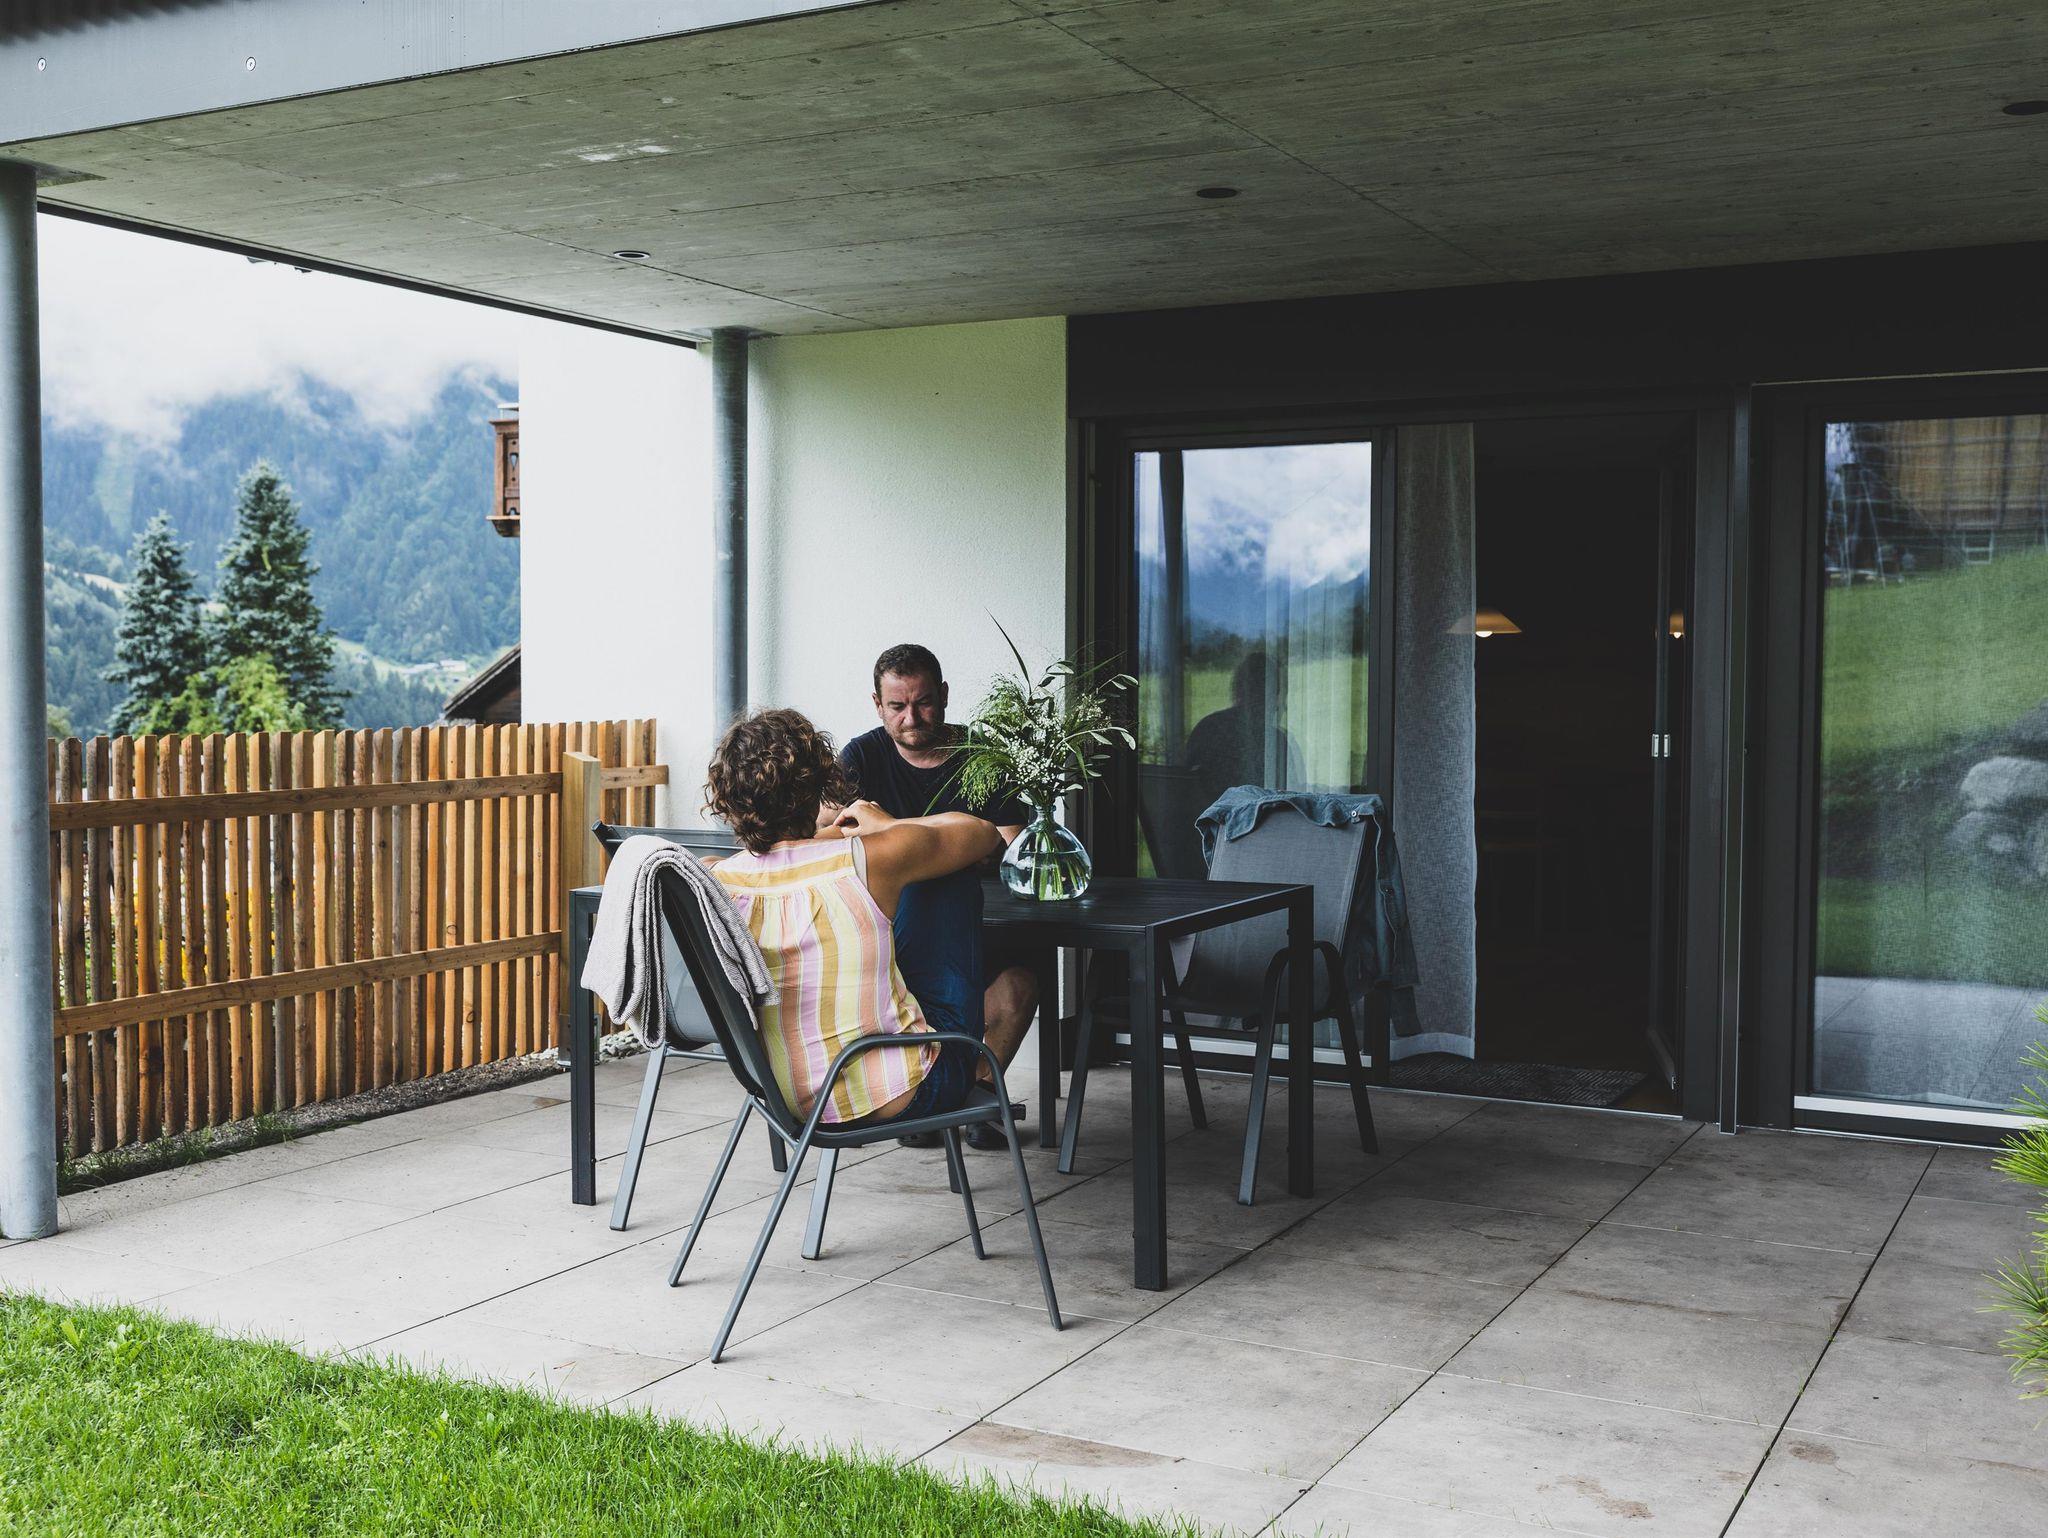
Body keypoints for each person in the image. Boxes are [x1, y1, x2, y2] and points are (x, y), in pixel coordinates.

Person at [703, 707, 1016, 1129]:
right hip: (899, 1094)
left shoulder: (716, 879)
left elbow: (781, 856)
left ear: (728, 797)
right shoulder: (868, 860)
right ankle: (975, 1073)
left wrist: (827, 835)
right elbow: (981, 833)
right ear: (816, 785)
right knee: (948, 881)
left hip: (783, 1097)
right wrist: (889, 824)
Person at [833, 643, 1041, 1149]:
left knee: (1020, 987)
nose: (911, 718)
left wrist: (889, 828)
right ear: (877, 705)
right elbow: (828, 830)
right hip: (893, 933)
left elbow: (1016, 847)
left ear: (944, 695)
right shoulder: (861, 756)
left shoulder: (980, 756)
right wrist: (946, 844)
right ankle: (925, 1099)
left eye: (923, 702)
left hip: (979, 919)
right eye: (897, 706)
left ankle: (978, 1094)